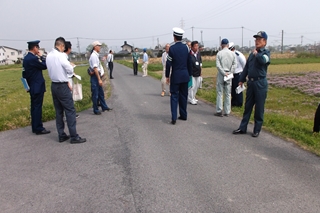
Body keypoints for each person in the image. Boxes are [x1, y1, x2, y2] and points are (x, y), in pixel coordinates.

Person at [46, 37, 86, 143]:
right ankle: (74, 136)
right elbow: (68, 68)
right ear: (62, 46)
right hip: (62, 85)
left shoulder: (49, 55)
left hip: (54, 85)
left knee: (59, 111)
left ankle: (61, 134)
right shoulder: (61, 56)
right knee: (70, 110)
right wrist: (70, 72)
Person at [233, 31, 270, 137]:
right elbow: (247, 68)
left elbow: (263, 61)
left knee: (259, 108)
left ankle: (257, 129)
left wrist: (257, 54)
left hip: (260, 83)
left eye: (259, 39)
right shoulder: (252, 54)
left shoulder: (265, 53)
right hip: (251, 82)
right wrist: (241, 79)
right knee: (247, 107)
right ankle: (242, 127)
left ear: (264, 42)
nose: (257, 41)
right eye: (256, 40)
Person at [22, 40, 50, 135]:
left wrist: (26, 86)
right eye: (37, 47)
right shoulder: (33, 58)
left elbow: (24, 74)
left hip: (32, 86)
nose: (38, 49)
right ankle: (38, 128)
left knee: (34, 107)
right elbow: (44, 65)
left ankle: (35, 126)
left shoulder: (26, 58)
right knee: (37, 107)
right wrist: (41, 56)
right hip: (37, 86)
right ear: (35, 48)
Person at [166, 27, 192, 125]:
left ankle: (174, 117)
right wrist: (190, 74)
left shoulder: (172, 49)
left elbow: (168, 64)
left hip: (176, 76)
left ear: (174, 37)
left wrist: (167, 75)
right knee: (183, 95)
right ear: (181, 37)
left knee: (174, 96)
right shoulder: (186, 48)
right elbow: (189, 62)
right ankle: (183, 115)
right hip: (185, 75)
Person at [88, 41, 112, 115]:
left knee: (101, 93)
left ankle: (104, 106)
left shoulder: (96, 55)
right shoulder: (93, 56)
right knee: (95, 94)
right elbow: (95, 68)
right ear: (95, 47)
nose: (100, 47)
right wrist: (99, 79)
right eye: (99, 46)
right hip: (95, 76)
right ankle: (95, 109)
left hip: (97, 75)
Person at [215, 38, 236, 117]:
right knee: (228, 93)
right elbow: (235, 64)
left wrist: (223, 73)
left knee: (220, 92)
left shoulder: (219, 53)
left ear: (221, 45)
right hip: (229, 74)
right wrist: (230, 72)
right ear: (228, 45)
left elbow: (218, 65)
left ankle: (219, 110)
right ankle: (227, 111)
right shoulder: (232, 54)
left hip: (221, 73)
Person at [64, 41, 79, 119]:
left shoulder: (65, 58)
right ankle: (69, 116)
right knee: (68, 98)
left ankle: (71, 114)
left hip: (67, 80)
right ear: (68, 49)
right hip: (67, 80)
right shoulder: (64, 58)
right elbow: (68, 71)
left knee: (69, 98)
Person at [229, 42, 246, 107]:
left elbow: (244, 64)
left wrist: (244, 75)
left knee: (238, 89)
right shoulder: (230, 55)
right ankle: (234, 102)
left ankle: (239, 103)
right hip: (232, 74)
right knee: (233, 89)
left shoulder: (238, 55)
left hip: (238, 74)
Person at [188, 40, 202, 105]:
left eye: (197, 46)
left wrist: (201, 71)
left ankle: (193, 97)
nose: (197, 47)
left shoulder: (198, 54)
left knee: (196, 86)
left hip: (198, 73)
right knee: (192, 86)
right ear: (192, 47)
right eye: (195, 46)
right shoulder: (189, 54)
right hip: (192, 73)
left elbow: (200, 62)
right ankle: (191, 99)